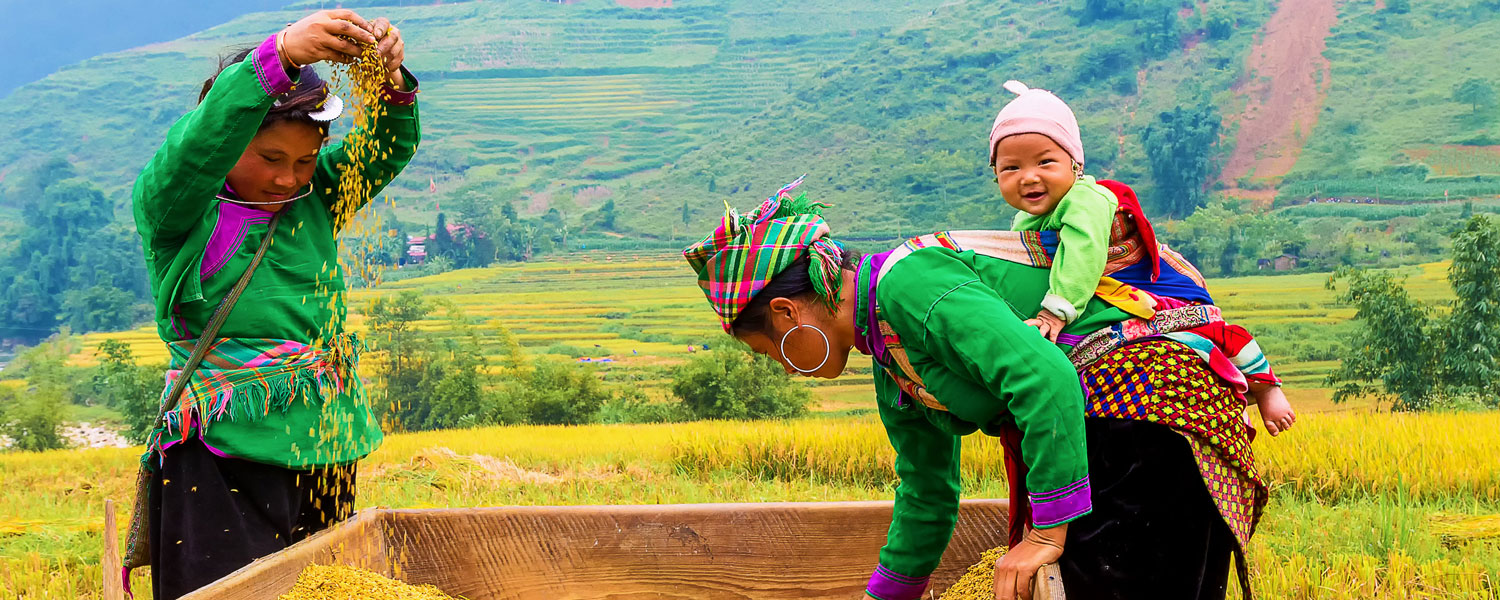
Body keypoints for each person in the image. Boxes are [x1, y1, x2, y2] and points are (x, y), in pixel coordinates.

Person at [683, 179, 1266, 600]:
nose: (786, 370)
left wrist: (1045, 534)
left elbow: (1047, 377)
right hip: (1103, 431)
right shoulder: (890, 363)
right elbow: (928, 492)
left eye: (771, 351)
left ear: (787, 312)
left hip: (1148, 413)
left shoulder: (910, 283)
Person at [129, 9, 419, 598]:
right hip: (223, 450)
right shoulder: (179, 212)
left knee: (328, 587)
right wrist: (282, 54)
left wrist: (386, 79)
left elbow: (385, 147)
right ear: (231, 142)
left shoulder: (317, 200)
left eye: (305, 160)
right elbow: (197, 146)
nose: (288, 179)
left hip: (327, 439)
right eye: (269, 158)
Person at [989, 80, 1294, 435]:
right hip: (1089, 298)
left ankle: (1265, 386)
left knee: (1205, 329)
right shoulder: (1022, 221)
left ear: (1075, 165)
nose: (1029, 177)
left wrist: (1054, 312)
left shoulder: (1087, 198)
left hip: (1134, 284)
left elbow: (1083, 251)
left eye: (1045, 162)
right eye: (1011, 168)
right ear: (995, 174)